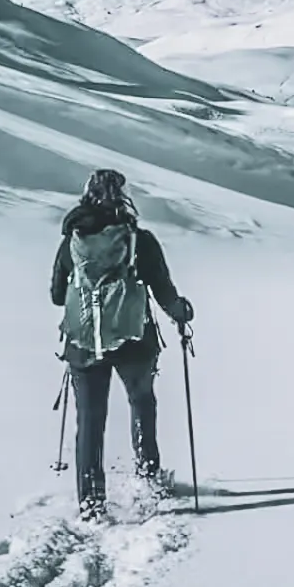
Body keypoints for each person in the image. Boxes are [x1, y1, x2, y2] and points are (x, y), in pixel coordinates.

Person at [50, 169, 194, 520]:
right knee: (141, 401)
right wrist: (181, 312)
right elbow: (163, 289)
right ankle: (147, 475)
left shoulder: (73, 240)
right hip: (135, 340)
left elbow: (56, 296)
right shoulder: (139, 240)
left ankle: (91, 502)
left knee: (90, 420)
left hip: (84, 343)